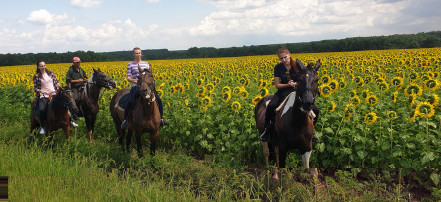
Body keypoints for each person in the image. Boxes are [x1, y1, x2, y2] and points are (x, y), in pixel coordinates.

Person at [260, 47, 320, 142]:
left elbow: (305, 81)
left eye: (285, 57)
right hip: (283, 91)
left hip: (297, 92)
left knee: (315, 110)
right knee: (271, 106)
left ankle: (312, 132)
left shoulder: (298, 66)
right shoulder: (278, 67)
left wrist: (297, 84)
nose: (284, 60)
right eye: (281, 58)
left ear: (289, 55)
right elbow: (277, 85)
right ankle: (267, 130)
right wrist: (288, 84)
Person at [121, 47, 169, 129]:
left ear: (141, 54)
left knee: (159, 100)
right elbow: (128, 77)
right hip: (136, 87)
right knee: (130, 101)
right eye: (136, 53)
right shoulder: (130, 64)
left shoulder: (146, 64)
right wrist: (134, 80)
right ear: (133, 54)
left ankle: (161, 119)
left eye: (139, 53)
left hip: (147, 87)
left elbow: (148, 75)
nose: (138, 55)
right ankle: (125, 121)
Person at [33, 60, 61, 134]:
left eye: (44, 65)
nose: (43, 67)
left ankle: (70, 120)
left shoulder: (50, 73)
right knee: (42, 109)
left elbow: (56, 81)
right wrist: (40, 91)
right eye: (41, 66)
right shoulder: (36, 76)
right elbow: (35, 88)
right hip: (44, 95)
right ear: (38, 67)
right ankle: (42, 127)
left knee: (65, 103)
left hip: (54, 93)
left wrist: (58, 85)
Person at [65, 56, 87, 127]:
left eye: (79, 62)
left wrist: (85, 79)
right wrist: (78, 80)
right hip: (74, 87)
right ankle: (74, 113)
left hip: (82, 86)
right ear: (74, 63)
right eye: (77, 62)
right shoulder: (70, 70)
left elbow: (85, 76)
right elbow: (68, 80)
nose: (79, 63)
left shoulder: (81, 69)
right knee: (76, 98)